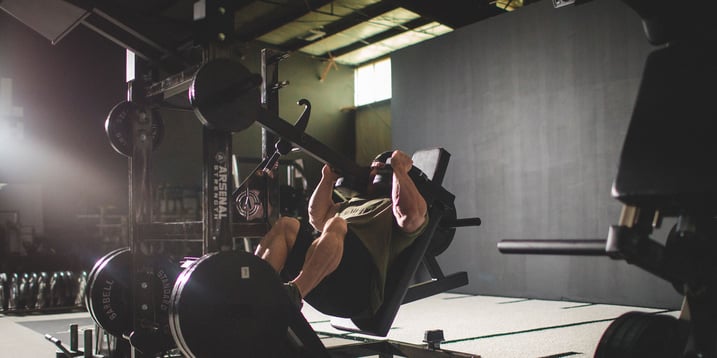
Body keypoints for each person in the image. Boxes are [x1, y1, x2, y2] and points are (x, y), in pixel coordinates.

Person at [251, 149, 428, 317]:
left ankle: (294, 294)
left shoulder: (396, 207)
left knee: (336, 223)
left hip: (355, 293)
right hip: (323, 276)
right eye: (371, 169)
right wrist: (327, 179)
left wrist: (399, 169)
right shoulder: (353, 202)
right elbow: (316, 217)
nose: (372, 173)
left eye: (379, 168)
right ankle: (252, 295)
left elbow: (411, 217)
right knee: (285, 225)